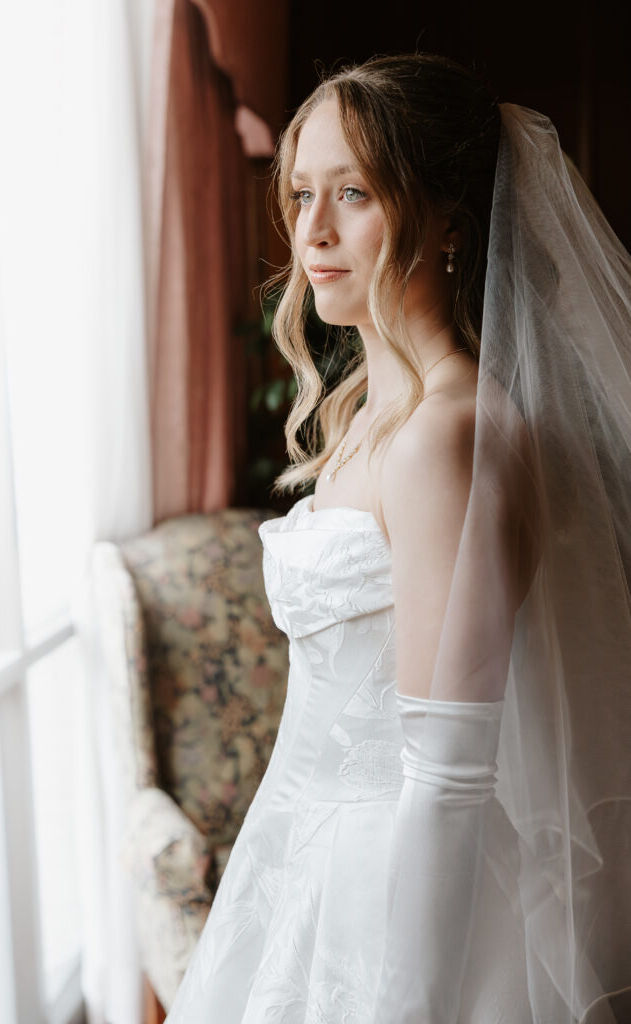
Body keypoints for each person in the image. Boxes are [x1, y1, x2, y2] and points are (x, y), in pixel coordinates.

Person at [165, 53, 631, 1023]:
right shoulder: (367, 415)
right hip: (297, 854)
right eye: (300, 193)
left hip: (388, 896)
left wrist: (404, 1006)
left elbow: (447, 778)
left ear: (448, 225)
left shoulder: (444, 437)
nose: (312, 231)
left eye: (353, 193)